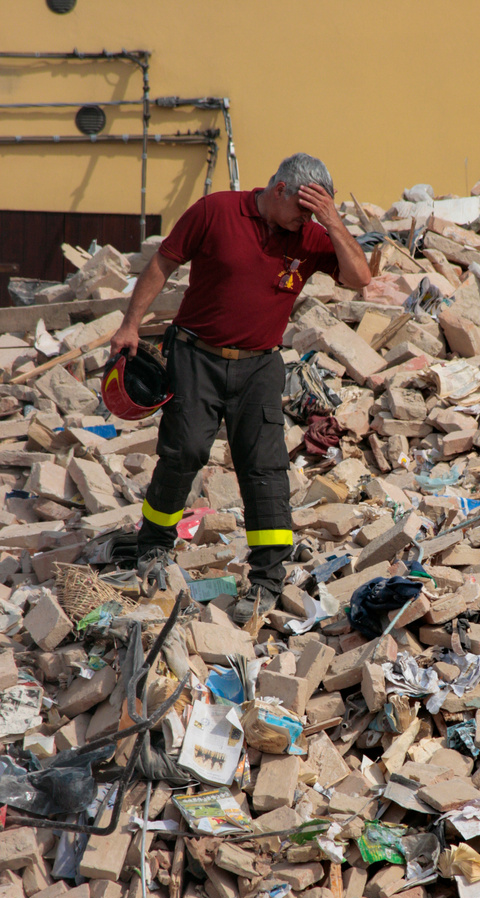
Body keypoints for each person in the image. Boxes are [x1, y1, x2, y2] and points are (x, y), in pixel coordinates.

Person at [109, 153, 371, 623]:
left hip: (260, 366)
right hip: (195, 355)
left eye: (315, 213)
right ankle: (152, 546)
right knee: (184, 450)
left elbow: (360, 278)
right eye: (304, 209)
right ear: (279, 190)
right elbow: (162, 264)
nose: (306, 220)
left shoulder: (311, 235)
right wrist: (131, 324)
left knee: (265, 467)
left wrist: (331, 222)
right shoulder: (216, 211)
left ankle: (268, 578)